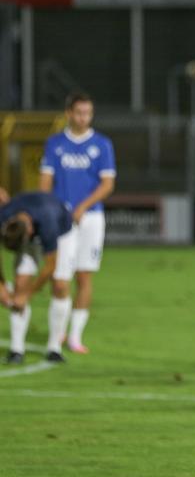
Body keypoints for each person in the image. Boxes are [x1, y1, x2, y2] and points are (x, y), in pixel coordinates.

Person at [39, 92, 115, 355]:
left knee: (84, 276)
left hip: (91, 219)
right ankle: (57, 330)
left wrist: (83, 206)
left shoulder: (102, 144)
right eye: (79, 112)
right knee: (60, 279)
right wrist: (47, 210)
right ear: (68, 113)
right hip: (61, 220)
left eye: (88, 113)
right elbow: (45, 182)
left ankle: (74, 336)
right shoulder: (55, 143)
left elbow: (107, 184)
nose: (84, 118)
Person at [0, 192, 74, 364]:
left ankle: (54, 348)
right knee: (20, 284)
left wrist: (29, 294)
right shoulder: (4, 216)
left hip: (64, 233)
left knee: (60, 285)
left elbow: (50, 267)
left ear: (30, 231)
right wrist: (2, 285)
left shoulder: (48, 224)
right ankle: (16, 349)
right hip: (28, 230)